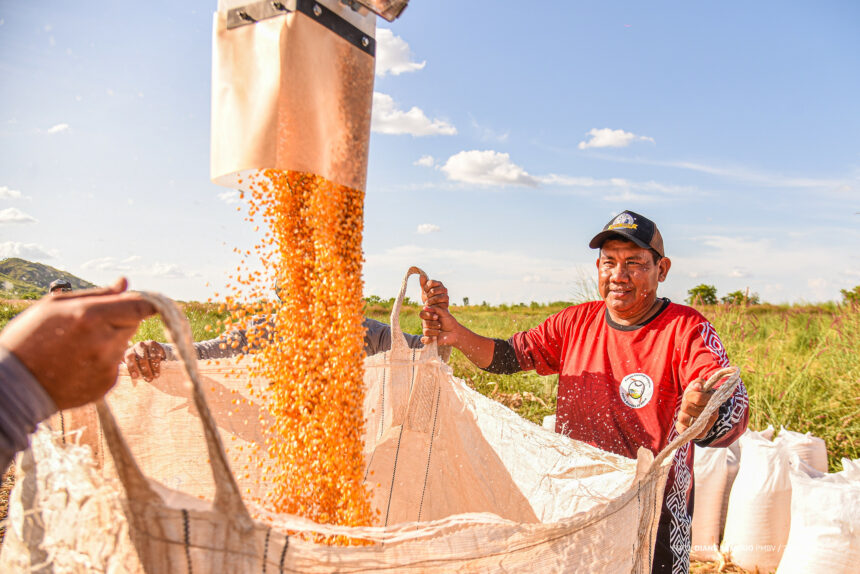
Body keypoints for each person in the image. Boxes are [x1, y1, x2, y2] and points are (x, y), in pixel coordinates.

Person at [419, 210, 749, 574]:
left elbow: (723, 392)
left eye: (635, 263)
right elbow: (510, 356)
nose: (618, 276)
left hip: (652, 520)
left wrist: (708, 412)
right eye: (609, 262)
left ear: (662, 269)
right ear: (598, 267)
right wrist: (456, 333)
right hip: (578, 508)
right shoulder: (575, 322)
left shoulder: (686, 330)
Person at [124, 278, 450, 382]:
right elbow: (204, 354)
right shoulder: (262, 333)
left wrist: (436, 326)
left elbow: (432, 363)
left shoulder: (367, 334)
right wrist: (159, 352)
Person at [0, 278, 156, 471]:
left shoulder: (89, 328)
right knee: (38, 462)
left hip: (73, 420)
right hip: (39, 421)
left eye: (65, 291)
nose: (61, 295)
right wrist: (19, 381)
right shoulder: (36, 323)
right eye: (56, 292)